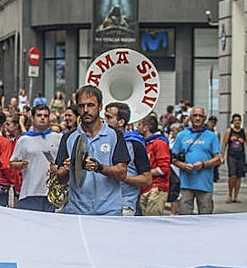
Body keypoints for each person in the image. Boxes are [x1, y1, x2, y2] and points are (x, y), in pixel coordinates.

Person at [51, 85, 130, 216]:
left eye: (90, 105)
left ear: (100, 107)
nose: (86, 110)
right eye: (81, 106)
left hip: (109, 211)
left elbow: (122, 173)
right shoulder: (68, 137)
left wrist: (98, 167)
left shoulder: (115, 135)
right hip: (77, 211)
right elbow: (61, 179)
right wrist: (67, 168)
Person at [104, 102, 152, 216]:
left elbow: (147, 180)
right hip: (102, 204)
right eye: (104, 117)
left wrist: (121, 176)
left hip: (124, 205)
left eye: (109, 118)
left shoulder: (135, 145)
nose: (104, 121)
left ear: (121, 122)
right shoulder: (101, 140)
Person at [172, 106, 223, 215]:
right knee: (184, 216)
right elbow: (173, 159)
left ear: (204, 118)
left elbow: (218, 159)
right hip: (186, 184)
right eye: (195, 115)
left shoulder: (212, 136)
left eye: (200, 116)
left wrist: (204, 164)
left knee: (205, 217)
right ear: (190, 118)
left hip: (204, 184)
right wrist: (183, 166)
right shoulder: (182, 136)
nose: (198, 118)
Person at [10, 103, 60, 211]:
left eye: (45, 116)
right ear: (33, 118)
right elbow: (12, 163)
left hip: (51, 193)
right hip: (30, 192)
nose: (42, 118)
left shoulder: (57, 138)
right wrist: (21, 164)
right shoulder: (24, 140)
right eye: (39, 115)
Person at [138, 114, 171, 216]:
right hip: (146, 188)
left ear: (146, 128)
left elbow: (163, 168)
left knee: (153, 221)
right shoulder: (147, 143)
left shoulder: (159, 143)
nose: (136, 128)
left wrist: (144, 174)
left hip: (156, 188)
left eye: (139, 125)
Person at [222, 113, 247, 203]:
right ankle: (229, 194)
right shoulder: (229, 131)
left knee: (239, 176)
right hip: (231, 156)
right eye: (235, 120)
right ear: (233, 121)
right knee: (232, 175)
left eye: (238, 120)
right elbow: (224, 144)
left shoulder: (244, 132)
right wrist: (222, 156)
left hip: (241, 156)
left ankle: (236, 195)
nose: (237, 122)